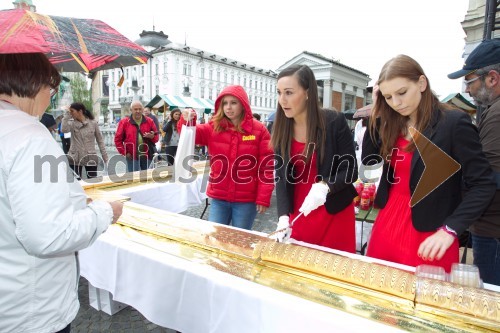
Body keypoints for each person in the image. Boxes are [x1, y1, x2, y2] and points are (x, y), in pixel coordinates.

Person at [0, 53, 123, 333]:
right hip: (29, 307)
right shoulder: (29, 136)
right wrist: (105, 211)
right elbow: (48, 236)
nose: (50, 97)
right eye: (51, 90)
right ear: (34, 84)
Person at [362, 54, 496, 272]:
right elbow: (369, 162)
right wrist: (377, 110)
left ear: (421, 83)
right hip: (386, 226)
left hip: (430, 235)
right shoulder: (391, 123)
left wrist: (451, 229)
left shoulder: (453, 122)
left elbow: (483, 184)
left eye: (402, 92)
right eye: (387, 97)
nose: (396, 103)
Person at [271, 64, 358, 253]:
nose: (282, 100)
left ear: (308, 93)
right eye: (279, 93)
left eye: (289, 93)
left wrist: (326, 186)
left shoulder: (334, 121)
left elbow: (351, 170)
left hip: (333, 210)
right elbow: (281, 177)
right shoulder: (280, 128)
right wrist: (283, 216)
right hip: (301, 211)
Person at [180, 85, 274, 230]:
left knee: (240, 240)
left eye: (233, 103)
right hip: (219, 197)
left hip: (246, 200)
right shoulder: (214, 126)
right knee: (215, 237)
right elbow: (191, 134)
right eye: (225, 103)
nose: (228, 107)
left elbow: (266, 166)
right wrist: (188, 119)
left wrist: (263, 197)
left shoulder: (259, 130)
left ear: (243, 104)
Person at [448, 39, 500, 285]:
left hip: (493, 230)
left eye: (469, 81)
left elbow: (487, 176)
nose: (467, 90)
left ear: (492, 78)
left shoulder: (498, 113)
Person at [61, 102, 108, 179]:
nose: (71, 113)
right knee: (76, 183)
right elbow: (64, 130)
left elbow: (100, 141)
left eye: (72, 111)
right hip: (75, 157)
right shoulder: (71, 123)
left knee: (92, 181)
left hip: (90, 157)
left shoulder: (93, 123)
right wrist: (66, 115)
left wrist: (105, 157)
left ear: (80, 111)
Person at [114, 100, 159, 172]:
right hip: (132, 156)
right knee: (133, 178)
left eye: (140, 109)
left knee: (147, 177)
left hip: (147, 155)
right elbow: (117, 140)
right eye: (135, 109)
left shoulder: (149, 121)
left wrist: (152, 137)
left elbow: (156, 138)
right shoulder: (124, 122)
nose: (138, 111)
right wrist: (125, 152)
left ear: (143, 109)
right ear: (131, 110)